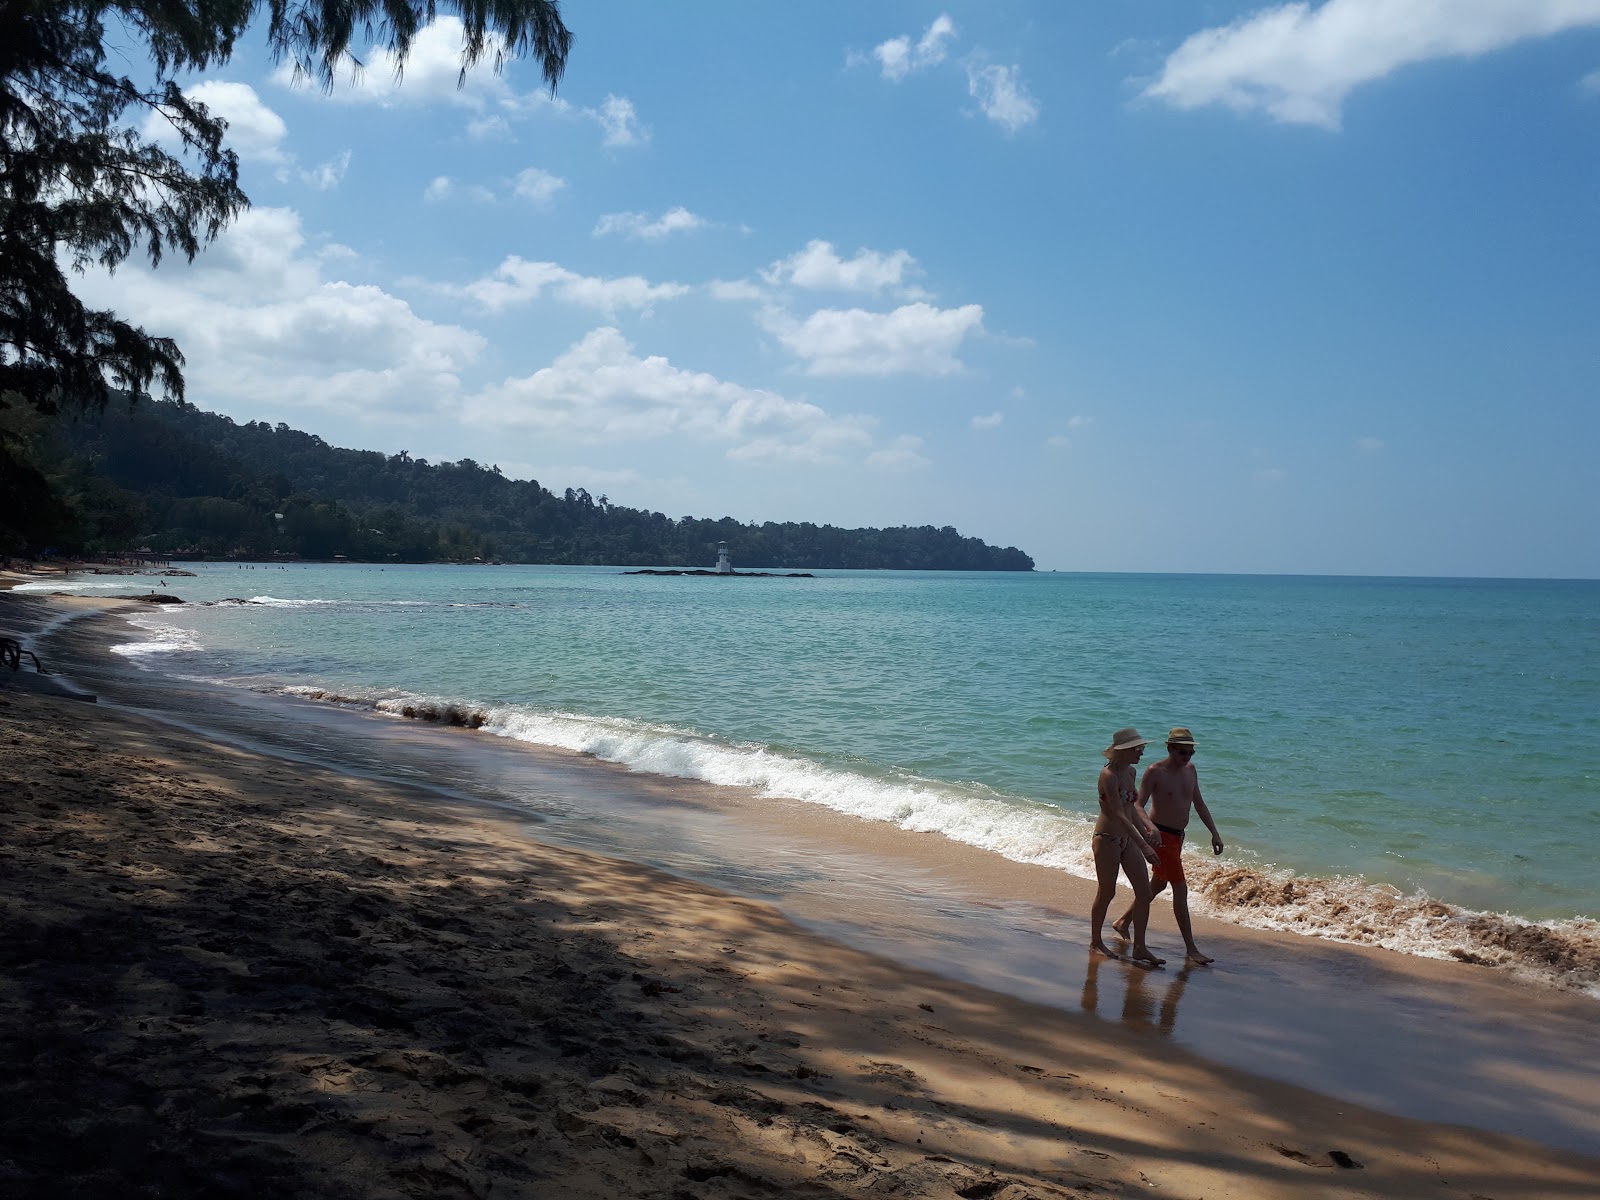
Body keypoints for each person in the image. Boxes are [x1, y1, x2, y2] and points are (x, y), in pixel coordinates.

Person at [1114, 727, 1224, 965]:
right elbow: (1137, 805)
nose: (1187, 757)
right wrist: (1149, 828)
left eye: (1191, 753)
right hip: (1161, 837)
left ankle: (1123, 921)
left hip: (1178, 836)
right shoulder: (1155, 772)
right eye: (1183, 753)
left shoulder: (1191, 770)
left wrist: (1214, 833)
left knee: (1158, 884)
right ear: (1170, 749)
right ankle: (1191, 949)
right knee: (1180, 889)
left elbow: (1199, 804)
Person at [1089, 727, 1165, 966]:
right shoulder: (1108, 775)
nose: (1141, 753)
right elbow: (1119, 815)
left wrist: (1147, 832)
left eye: (1142, 748)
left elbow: (1132, 810)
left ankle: (1140, 947)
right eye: (1137, 749)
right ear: (1122, 751)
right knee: (1107, 892)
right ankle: (1095, 942)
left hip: (1127, 840)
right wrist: (1144, 845)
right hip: (1107, 839)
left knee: (1144, 892)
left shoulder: (1131, 772)